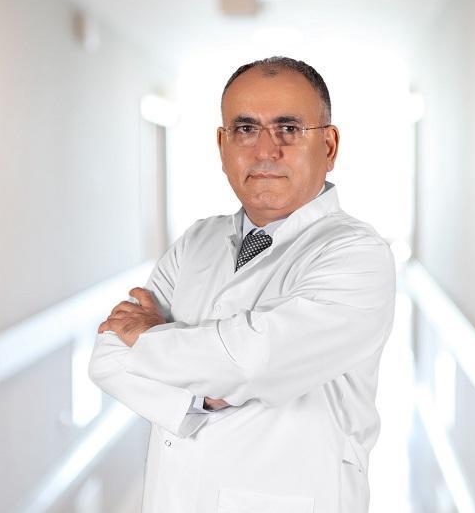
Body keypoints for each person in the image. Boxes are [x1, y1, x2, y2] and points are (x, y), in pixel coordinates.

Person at [89, 56, 395, 513]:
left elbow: (255, 361)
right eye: (246, 128)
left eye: (288, 129)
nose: (265, 150)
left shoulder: (357, 254)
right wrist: (202, 393)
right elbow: (108, 358)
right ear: (222, 145)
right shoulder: (197, 240)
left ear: (329, 146)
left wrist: (151, 340)